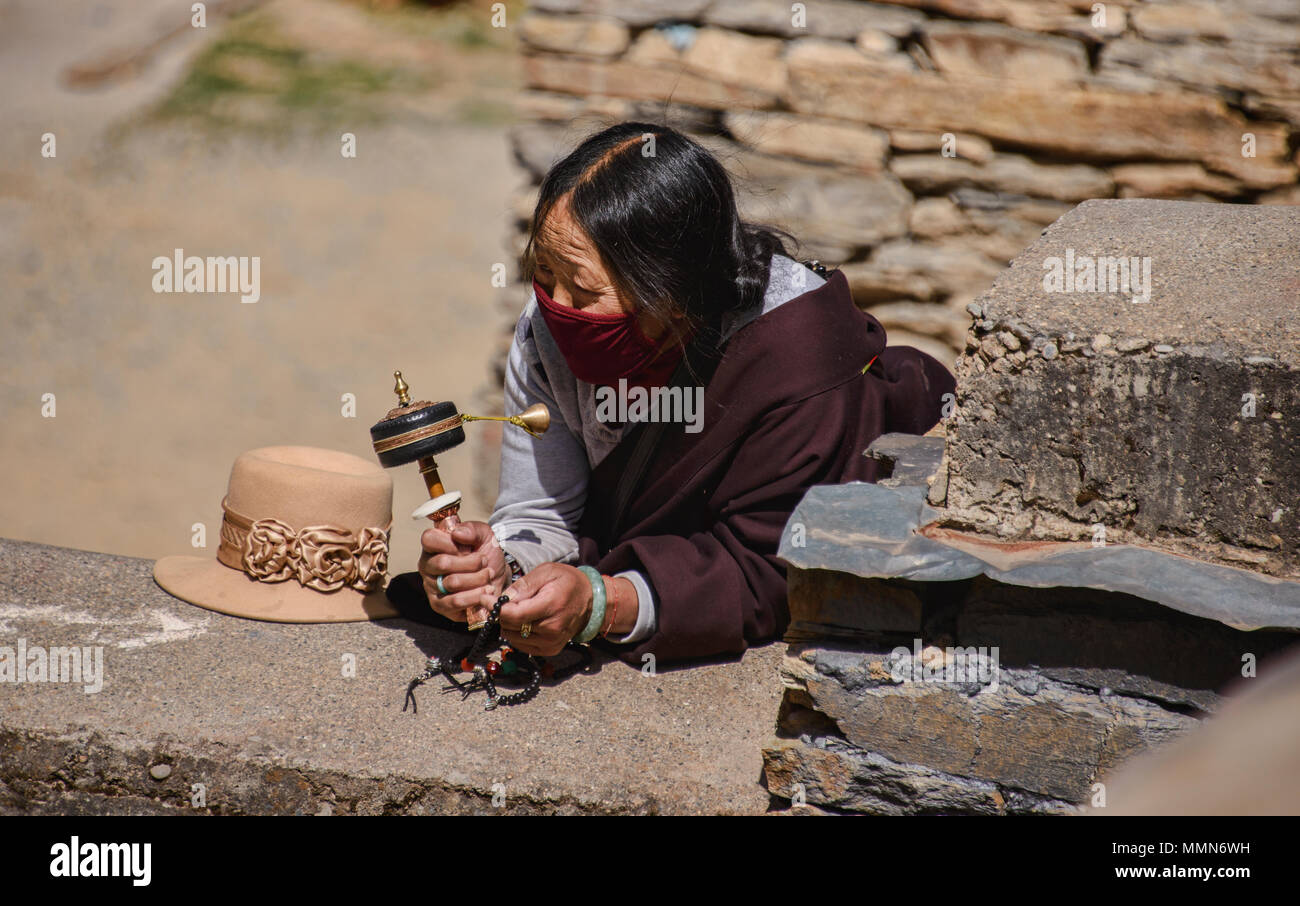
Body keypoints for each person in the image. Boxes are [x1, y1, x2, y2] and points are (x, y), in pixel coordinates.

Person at [413, 122, 955, 665]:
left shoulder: (797, 362)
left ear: (673, 293)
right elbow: (543, 510)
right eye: (545, 273)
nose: (554, 305)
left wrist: (602, 604)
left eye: (582, 289)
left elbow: (768, 569)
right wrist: (498, 566)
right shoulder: (547, 331)